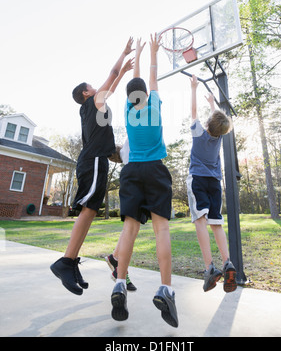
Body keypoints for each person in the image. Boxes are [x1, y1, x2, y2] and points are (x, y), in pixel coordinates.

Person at [50, 38, 135, 295]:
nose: (97, 88)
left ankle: (71, 262)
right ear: (87, 93)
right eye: (92, 87)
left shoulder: (92, 109)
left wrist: (122, 74)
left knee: (90, 211)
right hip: (93, 163)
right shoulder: (92, 103)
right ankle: (65, 261)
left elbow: (112, 85)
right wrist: (123, 54)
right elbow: (111, 75)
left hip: (93, 161)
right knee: (88, 211)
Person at [110, 35, 179, 328]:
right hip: (154, 169)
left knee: (130, 229)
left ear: (128, 97)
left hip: (132, 170)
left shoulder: (127, 110)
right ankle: (165, 290)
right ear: (146, 95)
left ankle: (120, 284)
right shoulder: (154, 107)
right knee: (161, 228)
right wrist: (152, 52)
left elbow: (136, 81)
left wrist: (136, 54)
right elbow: (151, 78)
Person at [186, 75, 237, 293]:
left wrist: (194, 89)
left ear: (207, 124)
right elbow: (217, 122)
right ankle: (227, 262)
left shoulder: (199, 134)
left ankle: (210, 268)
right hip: (215, 183)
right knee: (216, 223)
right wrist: (212, 104)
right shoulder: (218, 137)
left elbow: (193, 112)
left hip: (198, 179)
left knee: (200, 220)